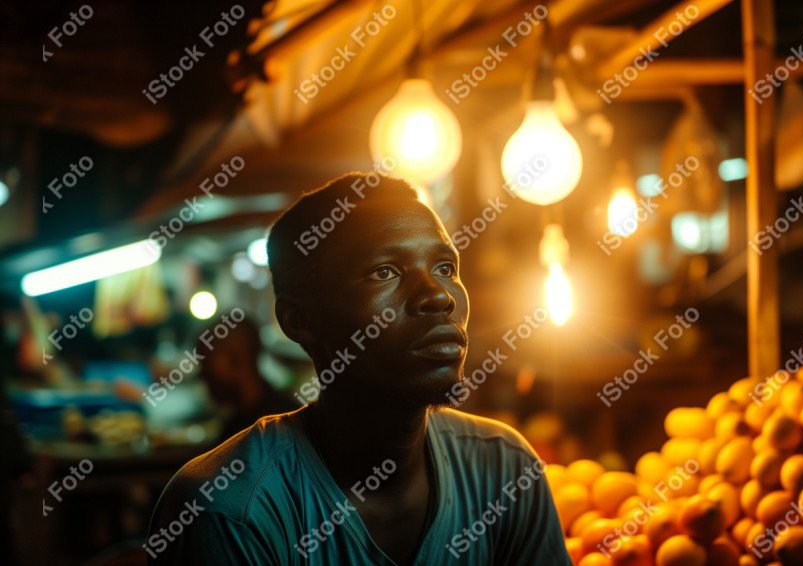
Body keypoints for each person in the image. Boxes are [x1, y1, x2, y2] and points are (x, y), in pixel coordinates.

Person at [147, 173, 571, 565]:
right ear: (300, 321)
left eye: (445, 268)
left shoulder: (504, 470)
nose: (438, 296)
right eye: (384, 272)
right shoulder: (228, 508)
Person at [196, 315, 298, 440]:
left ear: (236, 360)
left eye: (206, 363)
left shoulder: (276, 428)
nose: (201, 375)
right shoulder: (284, 416)